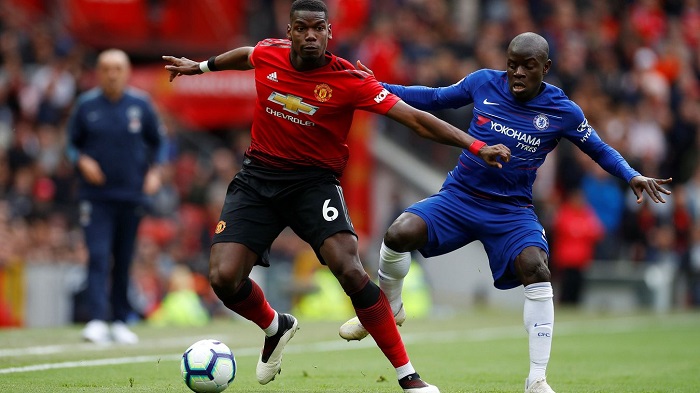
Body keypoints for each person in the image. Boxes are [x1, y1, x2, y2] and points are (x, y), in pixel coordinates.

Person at [162, 1, 510, 392]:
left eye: (318, 28)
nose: (310, 35)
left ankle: (408, 376)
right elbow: (246, 55)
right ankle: (275, 326)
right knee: (224, 278)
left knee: (349, 269)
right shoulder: (269, 52)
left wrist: (475, 145)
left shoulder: (348, 79)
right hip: (258, 178)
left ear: (330, 32)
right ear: (289, 30)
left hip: (314, 183)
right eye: (302, 28)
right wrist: (203, 67)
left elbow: (414, 118)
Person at [338, 32, 672, 393]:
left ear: (545, 68)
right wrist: (378, 86)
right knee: (399, 232)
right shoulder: (483, 82)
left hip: (511, 210)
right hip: (460, 197)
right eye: (512, 65)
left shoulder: (562, 111)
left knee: (536, 266)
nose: (517, 73)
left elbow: (599, 148)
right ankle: (389, 307)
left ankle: (537, 379)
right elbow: (434, 99)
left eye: (528, 67)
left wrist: (631, 174)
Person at [66, 48, 164, 344]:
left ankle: (120, 319)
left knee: (123, 258)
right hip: (95, 197)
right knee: (97, 255)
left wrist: (155, 172)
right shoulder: (85, 106)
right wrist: (82, 160)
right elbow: (71, 144)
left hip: (131, 195)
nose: (112, 74)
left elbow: (159, 143)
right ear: (98, 72)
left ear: (126, 72)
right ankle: (96, 318)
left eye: (117, 68)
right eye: (106, 68)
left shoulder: (141, 105)